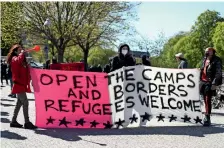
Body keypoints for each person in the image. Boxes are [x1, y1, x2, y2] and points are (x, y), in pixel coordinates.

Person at [7, 44, 37, 129]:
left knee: (19, 103)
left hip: (22, 85)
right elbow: (18, 61)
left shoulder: (21, 61)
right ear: (15, 51)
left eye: (21, 50)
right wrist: (22, 54)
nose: (21, 51)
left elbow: (26, 71)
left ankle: (13, 121)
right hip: (18, 85)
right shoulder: (14, 59)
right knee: (25, 102)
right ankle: (27, 122)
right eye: (19, 50)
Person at [199, 47, 222, 126]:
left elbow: (218, 72)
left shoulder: (217, 60)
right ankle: (204, 114)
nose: (207, 52)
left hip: (210, 82)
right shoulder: (204, 59)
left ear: (213, 52)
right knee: (204, 100)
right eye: (206, 51)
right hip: (202, 82)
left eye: (209, 51)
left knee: (207, 99)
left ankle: (207, 117)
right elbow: (202, 69)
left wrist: (214, 83)